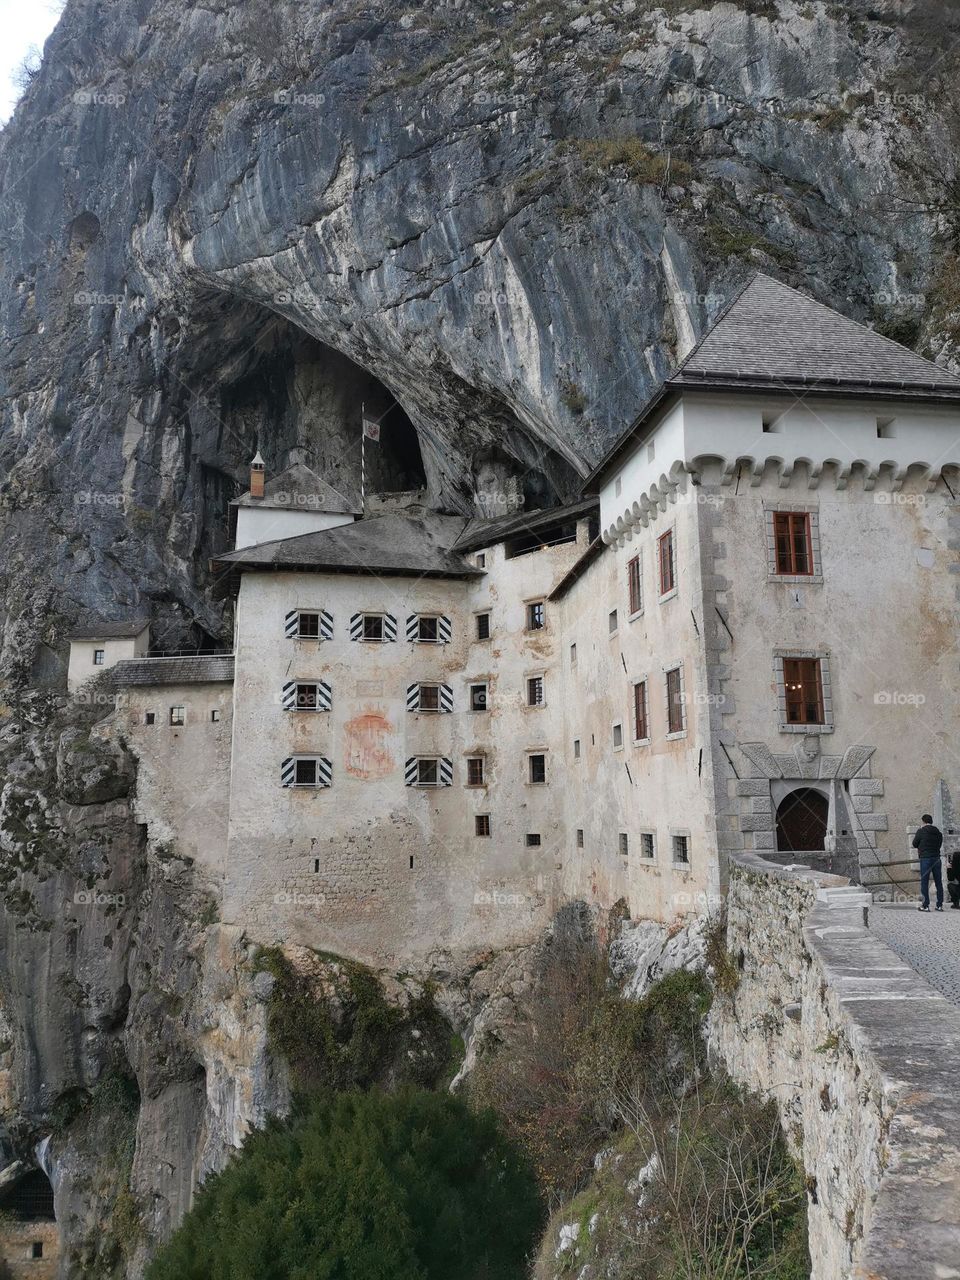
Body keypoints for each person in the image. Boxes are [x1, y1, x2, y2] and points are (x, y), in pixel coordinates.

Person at [912, 814, 944, 912]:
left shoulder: (921, 831)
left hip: (925, 858)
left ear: (923, 822)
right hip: (936, 859)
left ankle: (925, 905)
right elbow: (939, 844)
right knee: (938, 882)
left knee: (924, 882)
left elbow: (914, 844)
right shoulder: (938, 833)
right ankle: (939, 905)